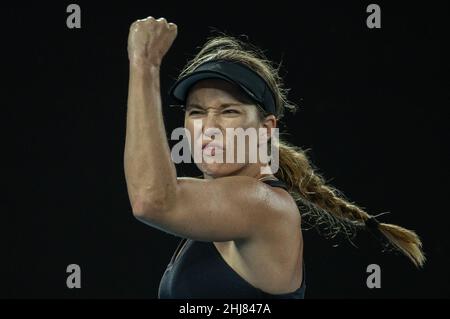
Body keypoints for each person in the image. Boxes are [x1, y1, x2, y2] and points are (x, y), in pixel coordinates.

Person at [124, 16, 425, 299]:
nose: (209, 127)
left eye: (229, 111)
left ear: (266, 129)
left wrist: (145, 63)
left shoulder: (264, 204)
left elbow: (152, 199)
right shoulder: (216, 207)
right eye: (197, 112)